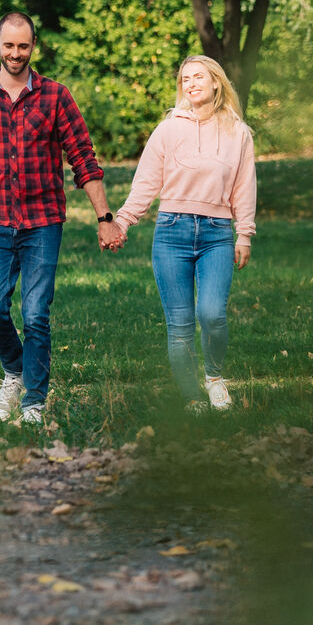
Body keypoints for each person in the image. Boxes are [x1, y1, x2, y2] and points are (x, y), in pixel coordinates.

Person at [0, 12, 118, 425]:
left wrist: (104, 216)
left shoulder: (56, 97)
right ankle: (14, 371)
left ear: (33, 46)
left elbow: (83, 159)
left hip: (42, 222)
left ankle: (33, 401)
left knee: (36, 313)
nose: (15, 54)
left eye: (23, 46)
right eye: (9, 45)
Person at [105, 55, 257, 412]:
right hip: (171, 232)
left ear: (216, 82)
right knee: (180, 324)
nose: (190, 84)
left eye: (198, 77)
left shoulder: (237, 132)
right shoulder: (168, 129)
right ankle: (192, 396)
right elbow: (146, 183)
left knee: (212, 314)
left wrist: (244, 234)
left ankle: (215, 376)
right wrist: (122, 221)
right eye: (185, 79)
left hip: (217, 233)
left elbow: (244, 186)